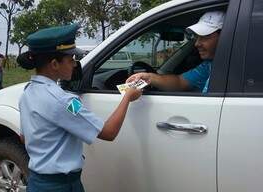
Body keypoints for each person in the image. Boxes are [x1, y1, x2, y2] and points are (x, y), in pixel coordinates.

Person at [17, 24, 142, 192]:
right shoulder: (66, 101)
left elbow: (23, 137)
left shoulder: (28, 92)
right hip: (61, 186)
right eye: (71, 60)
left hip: (38, 182)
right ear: (54, 64)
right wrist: (127, 97)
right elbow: (108, 132)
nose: (75, 65)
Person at [126, 11, 225, 93]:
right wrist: (150, 77)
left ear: (225, 36)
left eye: (204, 37)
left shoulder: (236, 68)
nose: (196, 44)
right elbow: (180, 82)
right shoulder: (208, 66)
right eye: (197, 37)